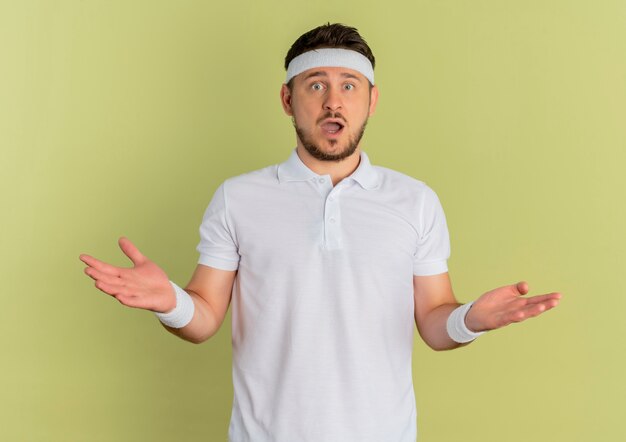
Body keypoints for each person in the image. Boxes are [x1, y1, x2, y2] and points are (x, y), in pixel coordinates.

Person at [79, 23, 562, 442]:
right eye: (315, 85)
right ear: (288, 99)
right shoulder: (238, 198)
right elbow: (203, 316)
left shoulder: (415, 202)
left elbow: (436, 321)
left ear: (372, 99)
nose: (333, 102)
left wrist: (470, 320)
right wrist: (170, 302)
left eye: (350, 86)